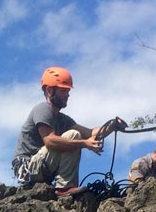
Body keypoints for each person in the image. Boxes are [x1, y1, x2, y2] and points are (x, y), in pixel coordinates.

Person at [12, 66, 123, 195]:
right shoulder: (43, 109)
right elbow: (50, 140)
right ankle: (65, 188)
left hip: (39, 167)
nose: (68, 95)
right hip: (26, 168)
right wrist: (84, 143)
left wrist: (112, 125)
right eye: (63, 91)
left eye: (68, 91)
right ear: (49, 90)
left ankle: (65, 187)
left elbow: (90, 133)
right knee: (74, 135)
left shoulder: (63, 119)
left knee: (76, 134)